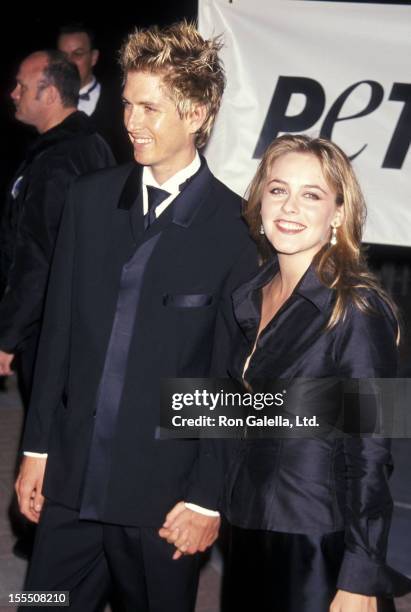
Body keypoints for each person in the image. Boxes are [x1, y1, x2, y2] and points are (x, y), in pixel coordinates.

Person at [15, 22, 257, 612]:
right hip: (71, 483)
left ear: (198, 112)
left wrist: (206, 499)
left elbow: (231, 382)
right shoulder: (89, 199)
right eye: (127, 103)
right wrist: (38, 448)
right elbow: (60, 334)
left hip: (163, 501)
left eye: (150, 107)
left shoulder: (236, 232)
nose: (131, 122)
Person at [224, 135, 411, 611]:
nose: (290, 207)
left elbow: (371, 452)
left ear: (338, 213)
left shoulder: (356, 307)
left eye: (312, 195)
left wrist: (360, 575)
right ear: (259, 198)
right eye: (278, 189)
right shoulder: (252, 295)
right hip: (247, 526)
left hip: (316, 541)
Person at [0, 50, 115, 408]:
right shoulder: (90, 145)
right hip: (78, 325)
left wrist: (7, 337)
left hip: (53, 329)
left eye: (22, 86)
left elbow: (38, 256)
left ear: (49, 94)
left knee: (47, 436)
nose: (13, 93)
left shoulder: (58, 161)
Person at [57, 23, 131, 163]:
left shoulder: (120, 102)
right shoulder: (46, 105)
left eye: (77, 54)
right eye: (62, 56)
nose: (69, 62)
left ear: (93, 57)